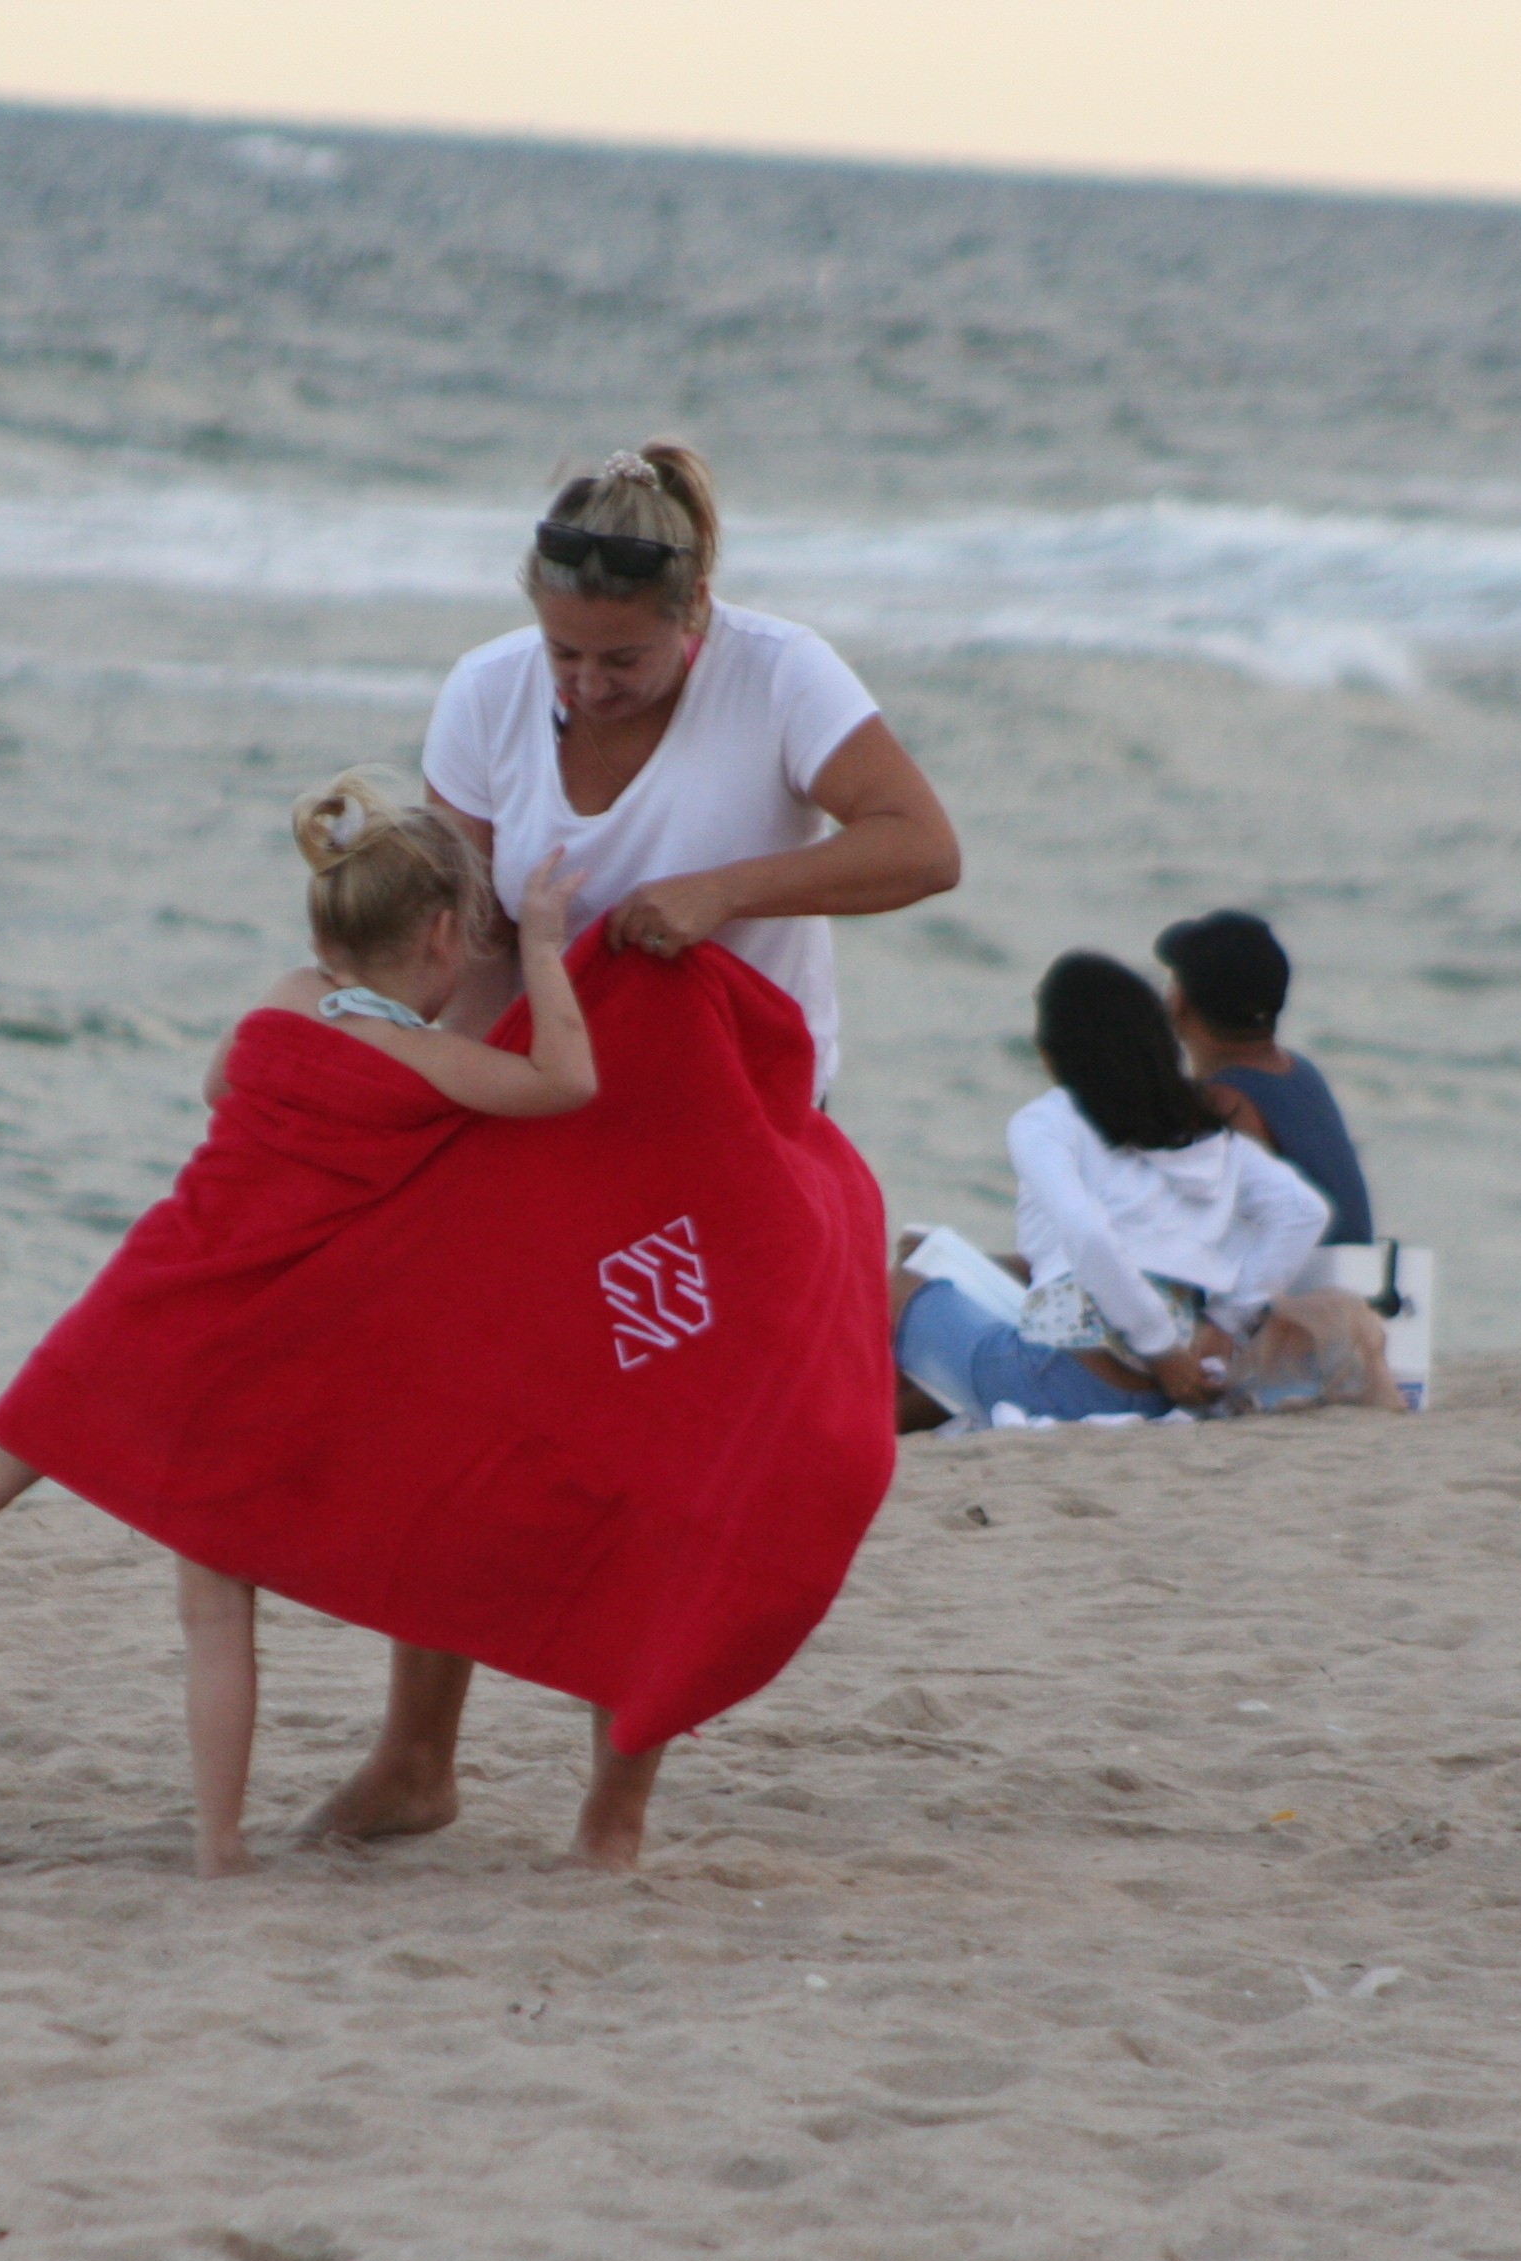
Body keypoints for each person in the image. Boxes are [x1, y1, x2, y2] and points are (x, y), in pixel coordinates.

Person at [0, 774, 596, 1878]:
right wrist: (547, 947)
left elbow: (219, 1086)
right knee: (217, 1602)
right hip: (238, 1343)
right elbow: (565, 1081)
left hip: (148, 1291)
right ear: (441, 938)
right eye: (469, 946)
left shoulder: (282, 1002)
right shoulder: (428, 1064)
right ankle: (217, 1849)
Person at [311, 439, 960, 1865]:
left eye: (620, 661)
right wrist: (373, 1070)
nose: (583, 687)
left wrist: (724, 891)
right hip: (543, 1110)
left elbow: (923, 847)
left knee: (673, 1464)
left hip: (735, 1138)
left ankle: (618, 1801)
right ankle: (416, 1760)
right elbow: (459, 935)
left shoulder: (784, 676)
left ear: (696, 612)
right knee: (465, 1426)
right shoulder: (492, 689)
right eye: (566, 653)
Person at [893, 952, 1331, 1424]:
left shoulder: (1049, 1121)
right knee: (947, 1268)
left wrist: (1160, 1347)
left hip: (1059, 1380)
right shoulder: (1208, 1136)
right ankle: (881, 1420)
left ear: (1051, 1052)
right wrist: (1227, 1322)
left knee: (898, 1284)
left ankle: (837, 1421)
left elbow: (1090, 1235)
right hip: (1168, 1392)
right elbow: (1302, 1212)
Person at [1154, 909, 1373, 1248]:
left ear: (1180, 1002)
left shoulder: (1222, 1102)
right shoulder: (1300, 1071)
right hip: (1352, 1276)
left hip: (1303, 1290)